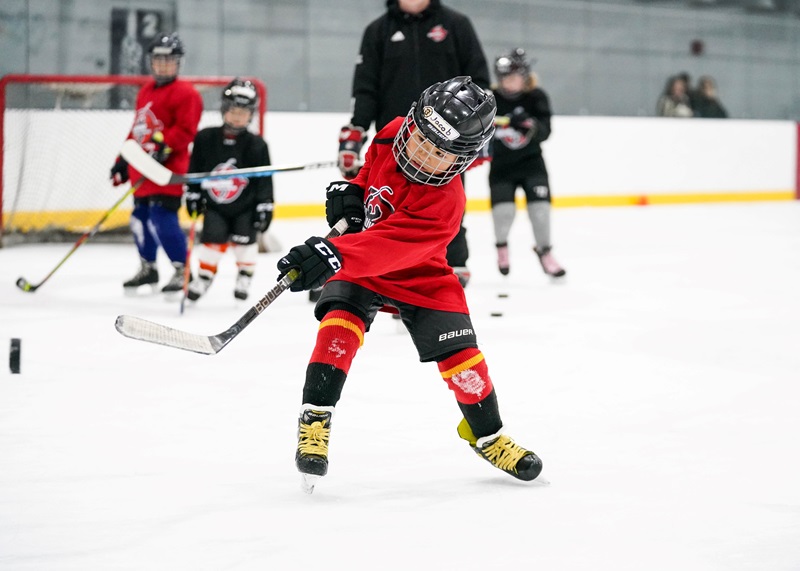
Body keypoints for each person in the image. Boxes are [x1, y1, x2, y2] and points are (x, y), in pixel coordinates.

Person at [277, 76, 543, 492]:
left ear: (462, 159)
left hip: (418, 273)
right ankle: (315, 418)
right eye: (420, 137)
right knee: (337, 330)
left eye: (439, 152)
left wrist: (334, 255)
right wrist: (351, 189)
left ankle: (487, 436)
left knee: (465, 366)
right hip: (361, 257)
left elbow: (389, 247)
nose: (421, 151)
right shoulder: (391, 132)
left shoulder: (446, 203)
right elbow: (370, 173)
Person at [337, 0, 491, 288]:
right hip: (399, 141)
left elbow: (479, 83)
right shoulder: (378, 31)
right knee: (384, 208)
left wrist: (479, 133)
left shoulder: (456, 25)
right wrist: (355, 132)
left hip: (448, 146)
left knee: (446, 204)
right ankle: (377, 273)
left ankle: (451, 264)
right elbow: (365, 87)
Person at [110, 32, 203, 295]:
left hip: (167, 171)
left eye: (168, 59)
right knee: (139, 219)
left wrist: (166, 145)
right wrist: (122, 159)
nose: (162, 65)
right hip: (141, 168)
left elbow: (187, 130)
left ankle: (181, 269)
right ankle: (148, 268)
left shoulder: (187, 94)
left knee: (161, 219)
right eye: (158, 59)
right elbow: (137, 130)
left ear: (178, 62)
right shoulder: (145, 92)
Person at [184, 78, 274, 302]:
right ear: (224, 109)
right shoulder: (205, 138)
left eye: (243, 112)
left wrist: (266, 204)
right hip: (215, 205)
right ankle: (204, 276)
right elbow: (195, 170)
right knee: (211, 241)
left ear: (251, 114)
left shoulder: (257, 145)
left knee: (246, 243)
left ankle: (245, 275)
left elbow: (264, 180)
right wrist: (192, 193)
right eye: (233, 110)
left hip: (246, 206)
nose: (237, 116)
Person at [489, 48, 566, 279]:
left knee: (540, 211)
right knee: (504, 213)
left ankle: (545, 252)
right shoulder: (492, 99)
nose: (511, 83)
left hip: (532, 164)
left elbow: (545, 131)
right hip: (502, 167)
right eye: (507, 78)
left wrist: (530, 124)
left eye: (516, 78)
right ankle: (501, 247)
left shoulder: (536, 97)